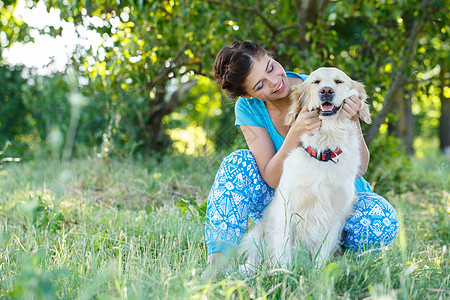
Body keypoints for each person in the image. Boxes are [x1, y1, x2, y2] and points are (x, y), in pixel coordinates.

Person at [205, 40, 398, 265]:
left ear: (271, 56)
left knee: (382, 219)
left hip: (338, 198)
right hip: (286, 201)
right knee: (237, 163)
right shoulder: (248, 108)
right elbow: (273, 178)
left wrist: (353, 118)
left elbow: (361, 168)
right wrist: (295, 132)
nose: (275, 81)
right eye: (260, 86)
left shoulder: (321, 86)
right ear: (248, 95)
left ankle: (336, 264)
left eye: (271, 67)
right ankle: (216, 266)